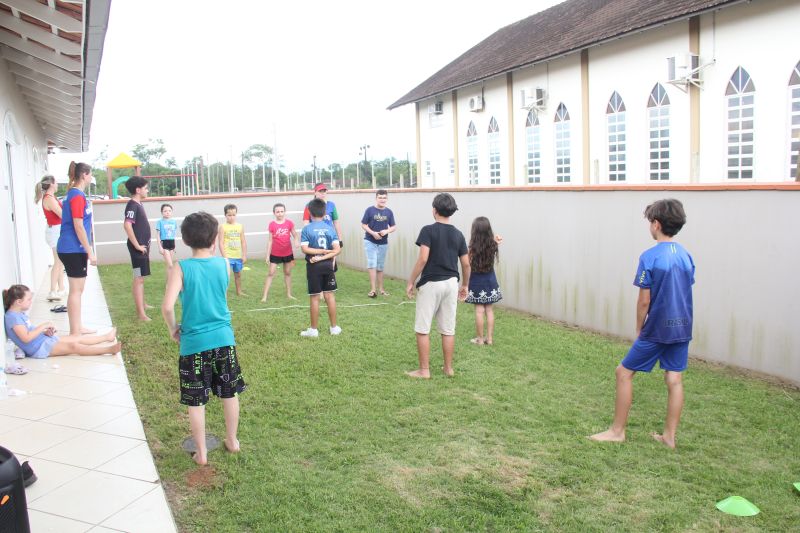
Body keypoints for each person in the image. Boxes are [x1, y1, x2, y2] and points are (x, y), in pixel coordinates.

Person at [590, 198, 695, 449]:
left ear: (656, 224)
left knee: (623, 373)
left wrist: (640, 329)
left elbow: (644, 301)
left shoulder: (649, 257)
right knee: (674, 379)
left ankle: (617, 431)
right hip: (683, 327)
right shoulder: (686, 255)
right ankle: (669, 437)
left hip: (657, 329)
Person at [162, 211, 246, 466]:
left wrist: (173, 329)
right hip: (223, 340)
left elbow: (167, 307)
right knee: (229, 393)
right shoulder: (224, 264)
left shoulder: (180, 267)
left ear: (185, 239)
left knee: (196, 401)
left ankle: (202, 453)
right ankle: (232, 441)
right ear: (213, 239)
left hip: (193, 345)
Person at [405, 193, 470, 379]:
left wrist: (411, 281)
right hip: (451, 284)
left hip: (431, 284)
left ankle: (424, 370)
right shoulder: (458, 234)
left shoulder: (428, 231)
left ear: (434, 210)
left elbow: (423, 259)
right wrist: (465, 285)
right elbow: (466, 264)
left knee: (423, 328)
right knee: (448, 329)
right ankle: (448, 369)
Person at [4, 284, 120, 358]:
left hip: (42, 340)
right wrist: (43, 326)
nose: (31, 302)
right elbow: (26, 338)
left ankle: (106, 337)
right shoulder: (13, 318)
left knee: (76, 337)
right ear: (18, 302)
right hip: (39, 347)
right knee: (73, 346)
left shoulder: (18, 314)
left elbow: (29, 331)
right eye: (29, 300)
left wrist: (45, 332)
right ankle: (109, 350)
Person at [56, 161, 96, 336]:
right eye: (90, 174)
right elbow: (78, 226)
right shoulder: (77, 196)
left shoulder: (74, 194)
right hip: (72, 248)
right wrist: (90, 251)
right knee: (76, 291)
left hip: (73, 248)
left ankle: (78, 327)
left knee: (78, 290)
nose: (91, 177)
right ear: (84, 175)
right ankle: (74, 332)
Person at [299, 198, 341, 337]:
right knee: (330, 296)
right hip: (328, 266)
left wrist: (319, 256)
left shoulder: (307, 229)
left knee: (315, 297)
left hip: (314, 267)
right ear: (324, 213)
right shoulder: (330, 229)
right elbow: (337, 250)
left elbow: (305, 249)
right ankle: (334, 328)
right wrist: (324, 253)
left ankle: (313, 330)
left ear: (310, 213)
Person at [465, 217, 503, 345]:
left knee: (479, 311)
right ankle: (489, 339)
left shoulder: (472, 249)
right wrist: (497, 239)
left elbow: (467, 265)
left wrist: (465, 283)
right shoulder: (493, 245)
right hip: (490, 281)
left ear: (474, 231)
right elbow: (498, 239)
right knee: (489, 310)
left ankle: (480, 339)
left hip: (476, 282)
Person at [122, 177, 152, 321]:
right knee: (138, 278)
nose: (147, 190)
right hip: (138, 250)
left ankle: (143, 304)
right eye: (145, 188)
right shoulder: (132, 205)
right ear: (138, 190)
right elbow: (127, 225)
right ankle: (141, 313)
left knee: (140, 278)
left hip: (142, 249)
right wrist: (137, 246)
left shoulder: (138, 204)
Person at [34, 175, 65, 301]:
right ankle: (52, 291)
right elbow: (62, 214)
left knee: (60, 261)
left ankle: (61, 289)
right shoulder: (49, 199)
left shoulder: (51, 197)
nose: (57, 185)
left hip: (55, 230)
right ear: (51, 184)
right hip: (54, 232)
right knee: (58, 261)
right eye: (56, 182)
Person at [360, 189, 396, 298]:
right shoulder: (370, 210)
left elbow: (393, 227)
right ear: (376, 198)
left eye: (384, 198)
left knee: (380, 266)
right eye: (380, 197)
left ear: (387, 199)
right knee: (372, 264)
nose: (382, 200)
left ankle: (381, 289)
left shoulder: (389, 212)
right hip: (370, 241)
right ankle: (373, 290)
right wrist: (373, 233)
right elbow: (363, 224)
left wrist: (387, 231)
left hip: (383, 243)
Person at [261, 203, 299, 302]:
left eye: (282, 211)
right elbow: (270, 241)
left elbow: (295, 235)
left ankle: (289, 294)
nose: (280, 213)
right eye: (277, 212)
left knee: (287, 273)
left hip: (287, 253)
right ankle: (264, 296)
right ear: (274, 213)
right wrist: (267, 256)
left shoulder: (289, 223)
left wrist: (296, 240)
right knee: (271, 273)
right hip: (275, 254)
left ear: (285, 212)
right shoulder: (272, 224)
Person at [218, 204, 248, 296]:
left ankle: (239, 291)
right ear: (225, 215)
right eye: (229, 215)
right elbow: (220, 243)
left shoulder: (240, 226)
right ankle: (224, 293)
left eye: (234, 215)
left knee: (238, 274)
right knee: (226, 275)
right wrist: (225, 257)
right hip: (228, 256)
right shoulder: (222, 227)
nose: (232, 217)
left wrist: (244, 255)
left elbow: (243, 242)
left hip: (238, 256)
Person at [302, 183, 343, 248]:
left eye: (324, 191)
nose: (323, 193)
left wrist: (340, 239)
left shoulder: (331, 205)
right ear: (315, 192)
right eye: (320, 191)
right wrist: (307, 239)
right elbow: (306, 224)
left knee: (331, 253)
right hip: (315, 237)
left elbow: (336, 223)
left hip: (329, 236)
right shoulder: (309, 205)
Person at [156, 203, 179, 272]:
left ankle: (169, 278)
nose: (167, 212)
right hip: (164, 243)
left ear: (172, 212)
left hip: (172, 243)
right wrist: (160, 247)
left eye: (169, 211)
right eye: (165, 211)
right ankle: (172, 277)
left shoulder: (174, 222)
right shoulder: (160, 222)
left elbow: (173, 234)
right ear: (162, 212)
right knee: (170, 265)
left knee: (169, 264)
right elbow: (158, 235)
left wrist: (174, 245)